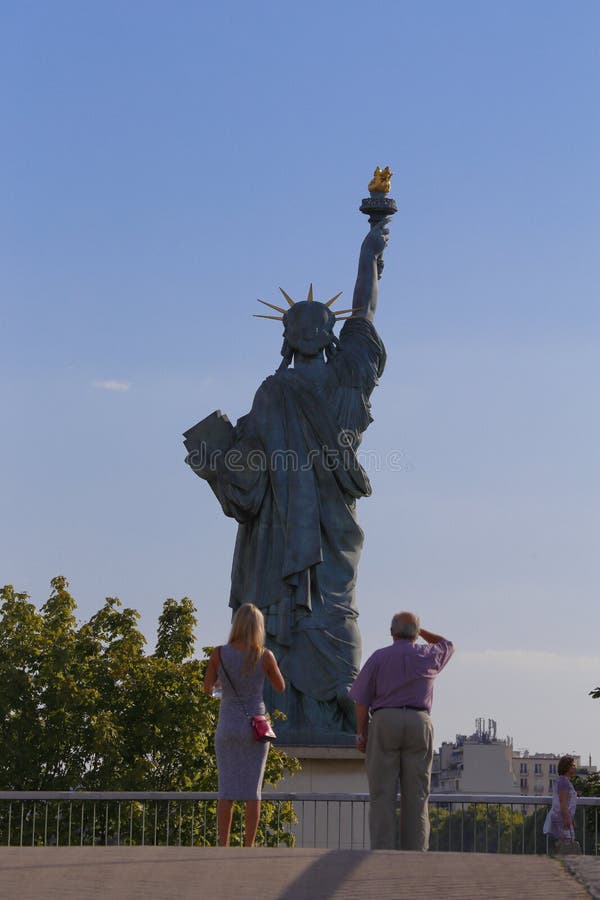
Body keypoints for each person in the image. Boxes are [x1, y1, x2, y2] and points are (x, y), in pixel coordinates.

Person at [188, 219, 390, 742]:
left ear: (287, 339)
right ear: (330, 337)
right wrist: (371, 246)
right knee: (333, 621)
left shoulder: (272, 393)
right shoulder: (347, 379)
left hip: (282, 542)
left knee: (280, 618)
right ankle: (324, 716)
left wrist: (215, 454)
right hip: (330, 531)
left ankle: (291, 717)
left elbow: (244, 487)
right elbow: (365, 310)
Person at [349, 611, 454, 851]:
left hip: (385, 720)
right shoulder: (428, 654)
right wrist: (421, 632)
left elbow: (361, 700)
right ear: (416, 634)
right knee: (417, 795)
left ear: (391, 632)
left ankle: (382, 851)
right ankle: (415, 853)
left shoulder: (379, 658)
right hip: (419, 721)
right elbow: (447, 644)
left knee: (382, 793)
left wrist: (361, 732)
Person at [203, 603, 285, 847]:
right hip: (255, 728)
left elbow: (207, 689)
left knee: (226, 790)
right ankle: (248, 846)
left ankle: (223, 844)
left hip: (228, 725)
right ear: (258, 627)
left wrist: (221, 684)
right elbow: (280, 686)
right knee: (252, 791)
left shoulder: (219, 653)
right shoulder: (265, 655)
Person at [543, 755, 579, 852]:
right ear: (566, 767)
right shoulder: (564, 781)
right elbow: (562, 801)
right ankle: (565, 865)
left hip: (561, 817)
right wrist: (567, 818)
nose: (574, 767)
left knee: (565, 844)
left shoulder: (563, 781)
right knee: (566, 845)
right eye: (572, 765)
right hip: (562, 818)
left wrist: (570, 818)